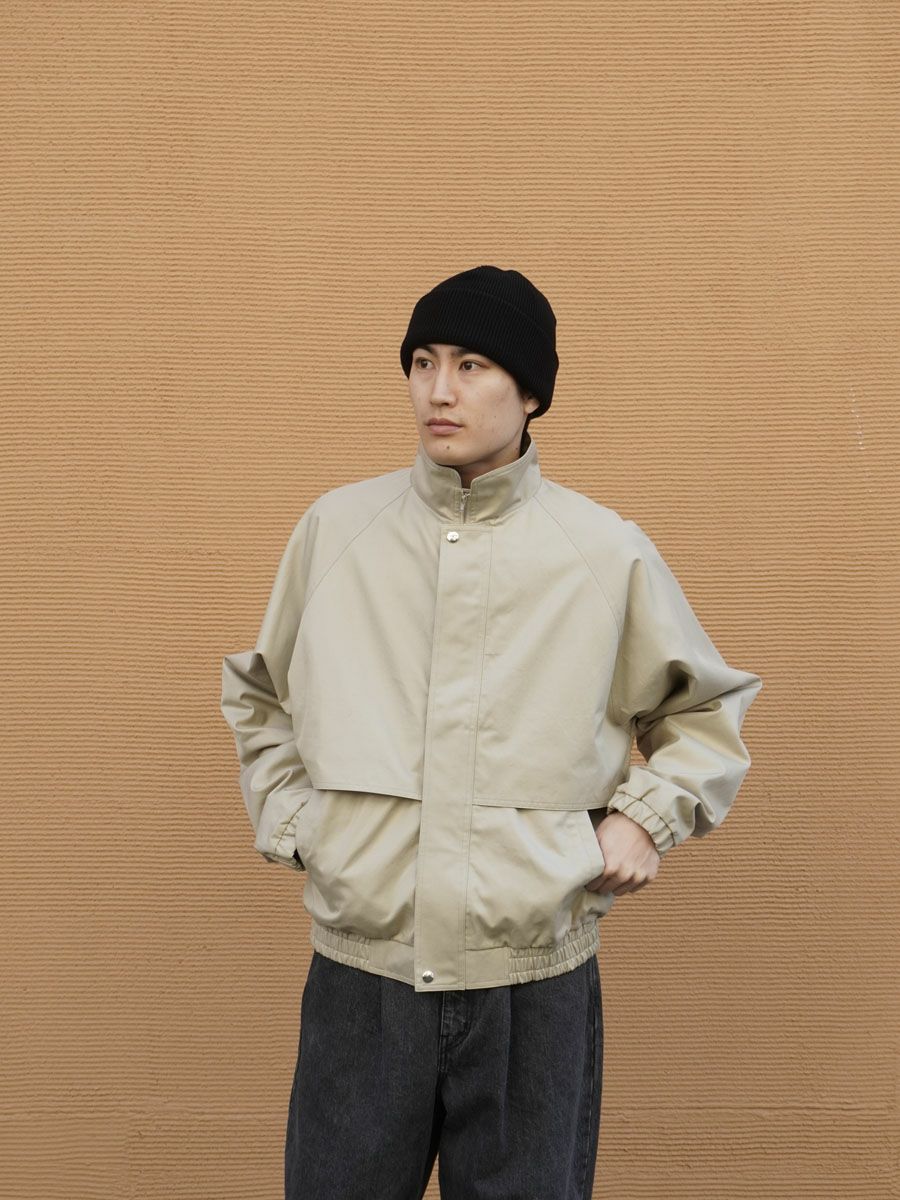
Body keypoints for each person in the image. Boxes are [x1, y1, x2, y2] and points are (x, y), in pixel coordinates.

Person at [220, 264, 763, 1200]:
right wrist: (305, 826)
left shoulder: (603, 552)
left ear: (532, 392)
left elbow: (704, 713)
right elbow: (261, 696)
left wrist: (645, 820)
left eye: (472, 365)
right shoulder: (336, 531)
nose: (440, 390)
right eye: (423, 362)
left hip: (532, 984)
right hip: (364, 976)